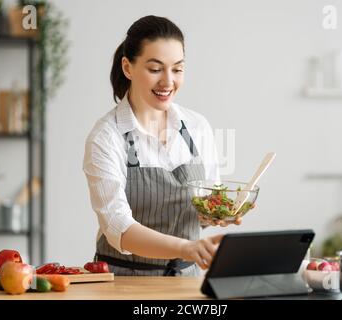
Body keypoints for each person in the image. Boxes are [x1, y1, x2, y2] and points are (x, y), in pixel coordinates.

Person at [83, 15, 242, 276]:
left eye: (177, 69)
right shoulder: (106, 136)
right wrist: (186, 247)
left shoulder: (197, 126)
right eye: (155, 69)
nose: (168, 82)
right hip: (124, 284)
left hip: (188, 280)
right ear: (127, 67)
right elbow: (118, 227)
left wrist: (216, 214)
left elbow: (204, 203)